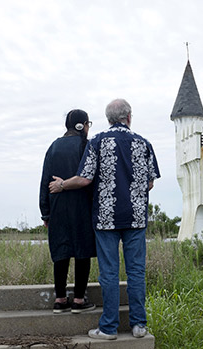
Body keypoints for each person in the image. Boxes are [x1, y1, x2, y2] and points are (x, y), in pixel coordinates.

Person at [49, 99, 160, 339]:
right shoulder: (144, 144)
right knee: (136, 272)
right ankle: (139, 326)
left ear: (108, 119)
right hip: (136, 218)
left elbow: (85, 179)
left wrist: (61, 184)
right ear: (129, 117)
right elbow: (150, 182)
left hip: (106, 219)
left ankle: (108, 328)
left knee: (109, 273)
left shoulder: (97, 142)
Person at [39, 109, 96, 314]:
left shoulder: (53, 146)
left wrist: (45, 213)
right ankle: (79, 300)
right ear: (82, 125)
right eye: (88, 123)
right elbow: (92, 181)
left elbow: (45, 181)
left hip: (57, 208)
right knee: (82, 252)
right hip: (82, 207)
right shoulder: (87, 146)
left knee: (61, 253)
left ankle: (60, 299)